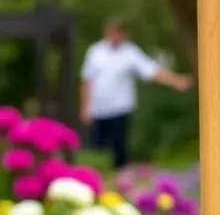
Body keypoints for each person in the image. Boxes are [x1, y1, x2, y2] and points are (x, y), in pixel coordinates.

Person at [79, 18, 193, 170]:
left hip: (120, 108)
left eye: (119, 32)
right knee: (95, 149)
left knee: (118, 148)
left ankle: (120, 180)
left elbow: (151, 71)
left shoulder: (130, 53)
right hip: (98, 109)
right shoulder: (95, 52)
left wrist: (175, 81)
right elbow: (87, 80)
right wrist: (85, 107)